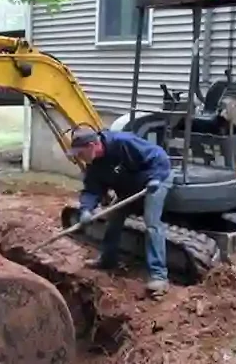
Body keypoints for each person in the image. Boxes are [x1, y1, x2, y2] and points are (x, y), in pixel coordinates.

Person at [67, 126, 174, 296]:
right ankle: (107, 260)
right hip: (129, 187)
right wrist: (86, 209)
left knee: (152, 222)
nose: (79, 157)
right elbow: (92, 190)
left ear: (92, 145)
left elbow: (159, 157)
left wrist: (155, 179)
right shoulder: (95, 166)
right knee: (114, 217)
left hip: (156, 180)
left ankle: (159, 276)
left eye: (80, 152)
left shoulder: (123, 142)